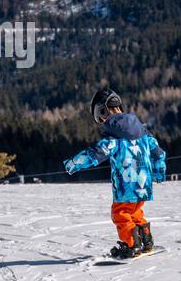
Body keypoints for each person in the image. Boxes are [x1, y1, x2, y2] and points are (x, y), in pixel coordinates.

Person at [63, 88, 167, 259]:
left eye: (100, 117)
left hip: (126, 185)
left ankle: (132, 245)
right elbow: (159, 153)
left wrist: (73, 163)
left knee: (120, 213)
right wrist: (159, 171)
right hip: (143, 184)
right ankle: (146, 240)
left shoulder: (114, 139)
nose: (102, 121)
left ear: (102, 110)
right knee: (135, 212)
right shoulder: (143, 133)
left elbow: (94, 154)